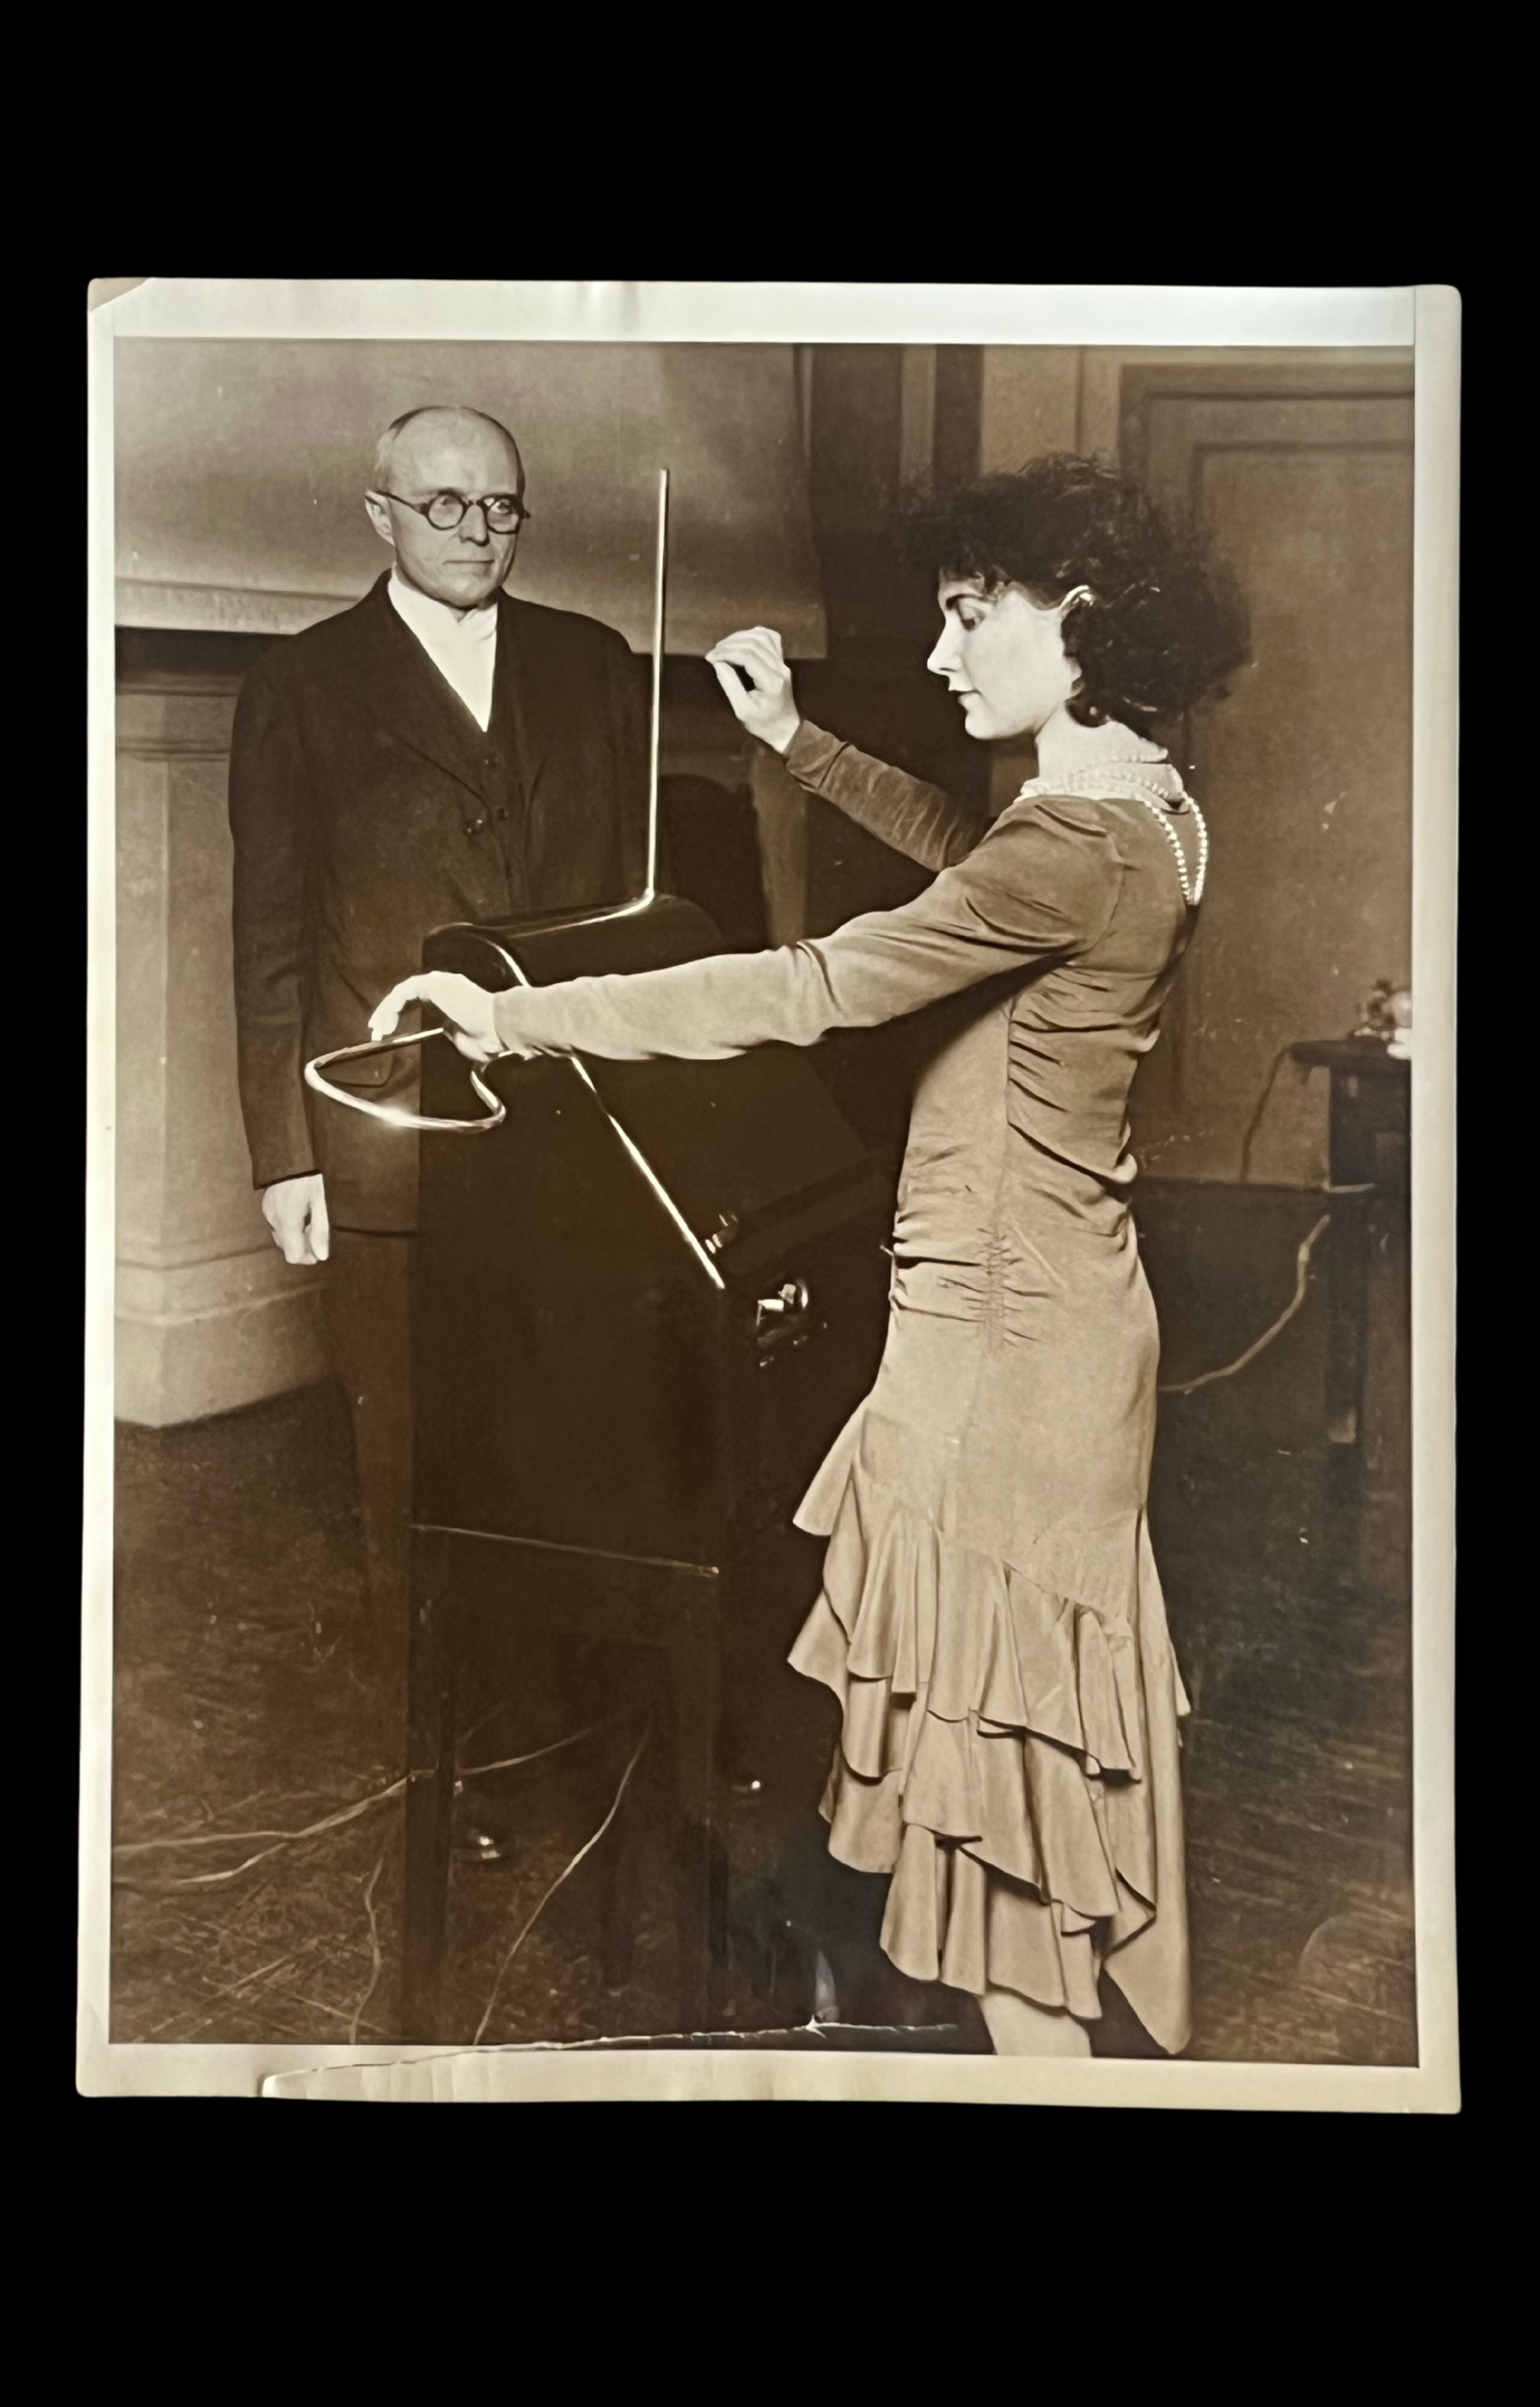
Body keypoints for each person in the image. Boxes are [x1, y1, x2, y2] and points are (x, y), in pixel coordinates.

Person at [371, 454, 1249, 2058]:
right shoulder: (1147, 806)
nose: (940, 654)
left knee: (998, 1863)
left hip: (996, 1359)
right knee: (1039, 1809)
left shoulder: (1068, 850)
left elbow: (808, 988)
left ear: (1085, 616)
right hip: (1068, 1334)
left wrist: (511, 1012)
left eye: (973, 617)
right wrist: (794, 747)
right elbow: (967, 858)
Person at [228, 405, 647, 1739]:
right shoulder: (299, 685)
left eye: (501, 507)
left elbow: (637, 919)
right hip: (389, 1141)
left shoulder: (595, 664)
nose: (477, 532)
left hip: (574, 1135)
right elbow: (271, 941)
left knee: (568, 1440)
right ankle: (437, 1747)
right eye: (445, 505)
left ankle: (556, 1737)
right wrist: (286, 1153)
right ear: (382, 516)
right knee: (409, 1461)